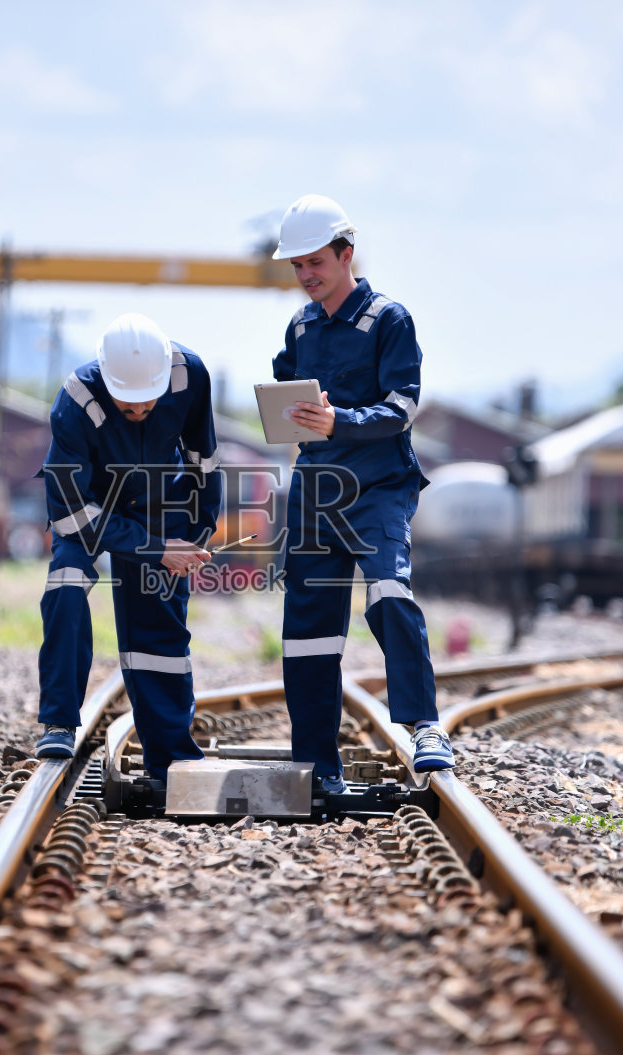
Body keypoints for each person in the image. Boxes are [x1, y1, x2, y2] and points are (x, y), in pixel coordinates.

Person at [269, 194, 455, 793]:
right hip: (317, 491)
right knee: (308, 630)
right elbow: (286, 379)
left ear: (347, 253)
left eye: (315, 263)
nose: (305, 277)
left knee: (388, 591)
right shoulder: (300, 325)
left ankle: (424, 725)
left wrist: (337, 421)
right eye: (296, 266)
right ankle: (316, 765)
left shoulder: (389, 320)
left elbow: (401, 408)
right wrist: (291, 408)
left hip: (377, 489)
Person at [34, 313, 221, 785]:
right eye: (128, 405)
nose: (139, 413)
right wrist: (153, 548)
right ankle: (59, 720)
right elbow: (70, 511)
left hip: (161, 503)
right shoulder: (75, 398)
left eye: (147, 404)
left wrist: (197, 531)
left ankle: (170, 759)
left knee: (158, 631)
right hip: (90, 503)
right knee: (67, 584)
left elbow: (203, 457)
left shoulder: (189, 374)